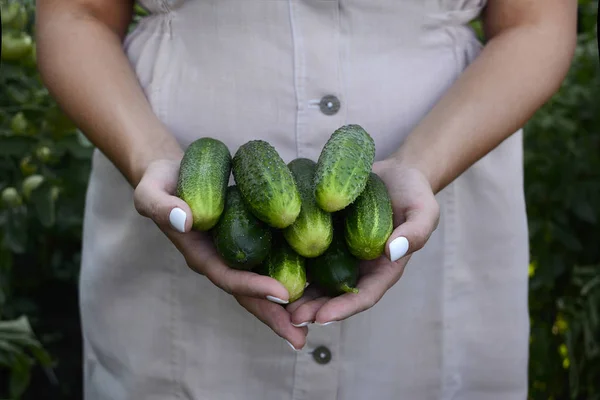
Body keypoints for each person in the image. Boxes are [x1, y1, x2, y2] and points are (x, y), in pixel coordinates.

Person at [36, 0, 576, 399]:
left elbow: (536, 24)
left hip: (447, 204)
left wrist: (424, 165)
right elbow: (75, 16)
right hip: (168, 237)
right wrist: (146, 154)